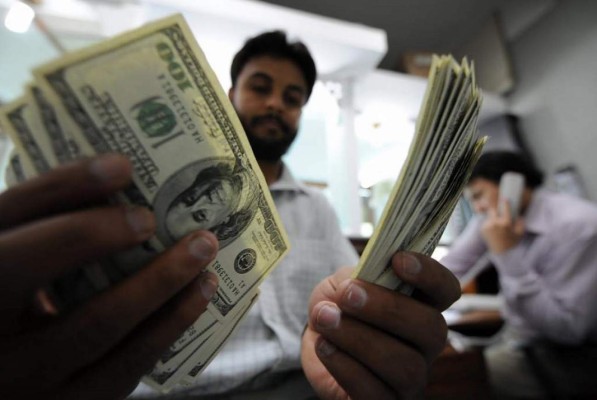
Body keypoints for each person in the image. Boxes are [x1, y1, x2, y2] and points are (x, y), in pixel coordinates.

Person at [0, 31, 460, 400]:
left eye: (293, 98)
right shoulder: (152, 198)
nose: (276, 103)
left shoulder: (317, 208)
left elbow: (349, 293)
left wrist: (371, 315)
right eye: (261, 88)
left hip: (302, 385)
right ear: (229, 94)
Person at [441, 151, 597, 399]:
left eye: (479, 195)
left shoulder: (579, 226)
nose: (477, 208)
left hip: (567, 353)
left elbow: (568, 330)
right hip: (519, 337)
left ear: (511, 184)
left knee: (461, 378)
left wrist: (507, 254)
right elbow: (452, 265)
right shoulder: (490, 217)